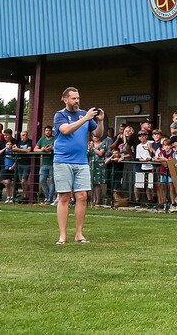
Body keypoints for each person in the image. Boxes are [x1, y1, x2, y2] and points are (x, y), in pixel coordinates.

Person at [53, 87, 103, 245]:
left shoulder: (85, 114)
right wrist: (85, 118)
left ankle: (79, 234)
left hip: (81, 161)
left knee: (82, 197)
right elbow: (66, 130)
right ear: (65, 100)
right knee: (64, 197)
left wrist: (100, 120)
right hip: (63, 160)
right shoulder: (60, 115)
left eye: (78, 98)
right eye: (74, 98)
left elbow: (98, 134)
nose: (77, 101)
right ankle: (62, 235)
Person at [35, 126, 56, 204]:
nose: (48, 132)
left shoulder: (55, 139)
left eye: (49, 130)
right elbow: (35, 149)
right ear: (44, 132)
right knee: (42, 180)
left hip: (53, 163)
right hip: (44, 163)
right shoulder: (42, 139)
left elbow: (59, 148)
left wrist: (52, 148)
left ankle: (50, 198)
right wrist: (42, 149)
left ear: (51, 131)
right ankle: (47, 196)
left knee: (52, 181)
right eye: (46, 130)